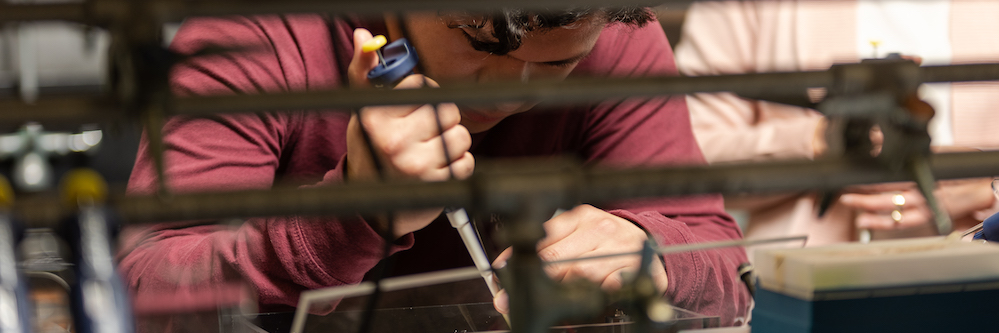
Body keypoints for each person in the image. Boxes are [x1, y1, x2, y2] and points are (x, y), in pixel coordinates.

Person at [118, 8, 752, 327]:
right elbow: (144, 289)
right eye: (478, 44)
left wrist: (650, 252)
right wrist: (350, 217)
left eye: (557, 63)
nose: (508, 91)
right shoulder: (258, 33)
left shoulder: (618, 37)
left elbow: (732, 267)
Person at [675, 0, 999, 251]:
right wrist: (817, 141)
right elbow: (684, 157)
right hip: (800, 281)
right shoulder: (745, 10)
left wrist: (989, 188)